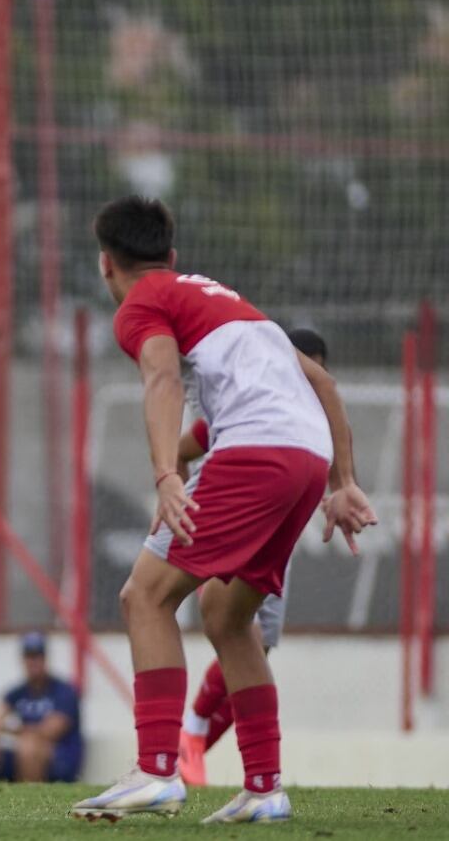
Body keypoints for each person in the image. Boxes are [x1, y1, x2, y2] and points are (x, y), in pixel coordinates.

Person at [70, 197, 376, 824]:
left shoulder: (141, 303)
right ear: (173, 256)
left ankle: (158, 770)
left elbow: (162, 380)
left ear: (107, 266)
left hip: (256, 454)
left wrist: (163, 475)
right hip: (305, 460)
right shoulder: (226, 300)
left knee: (145, 597)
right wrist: (343, 481)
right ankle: (264, 787)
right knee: (227, 615)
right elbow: (325, 385)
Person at [176, 329, 329, 787]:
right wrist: (182, 501)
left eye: (316, 370)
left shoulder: (310, 416)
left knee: (258, 648)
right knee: (242, 630)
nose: (310, 379)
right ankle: (194, 729)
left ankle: (198, 747)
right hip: (228, 529)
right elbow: (183, 448)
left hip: (274, 543)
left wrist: (342, 489)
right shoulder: (250, 409)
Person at [0, 632, 83, 784]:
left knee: (29, 746)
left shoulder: (64, 691)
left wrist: (9, 729)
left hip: (59, 758)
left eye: (37, 656)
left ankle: (30, 801)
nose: (33, 662)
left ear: (45, 659)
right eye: (29, 656)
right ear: (23, 660)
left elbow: (49, 731)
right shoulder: (17, 692)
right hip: (21, 753)